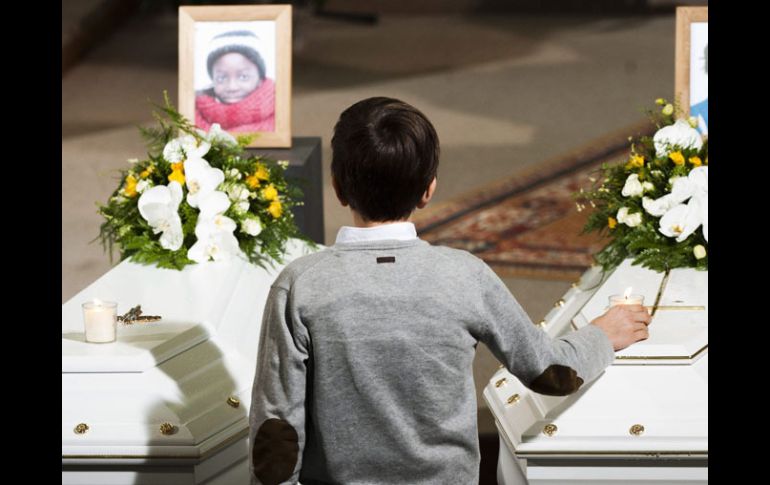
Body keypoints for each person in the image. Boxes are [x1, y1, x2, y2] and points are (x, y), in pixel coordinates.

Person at [248, 97, 651, 485]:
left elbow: (276, 431)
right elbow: (549, 372)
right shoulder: (464, 276)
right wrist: (603, 334)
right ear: (429, 190)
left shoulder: (300, 284)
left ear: (337, 186)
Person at [195, 30, 275, 133]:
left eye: (243, 77)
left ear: (260, 79)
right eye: (221, 78)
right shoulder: (193, 115)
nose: (232, 87)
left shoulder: (278, 117)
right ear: (213, 79)